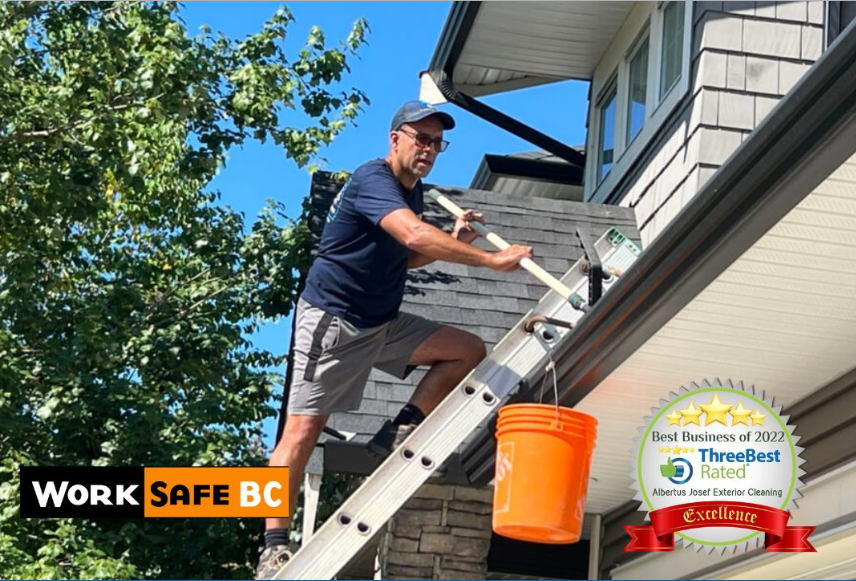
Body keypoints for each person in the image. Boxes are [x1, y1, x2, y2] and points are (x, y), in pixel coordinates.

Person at [255, 101, 533, 579]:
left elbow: (400, 260)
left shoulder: (414, 192)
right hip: (334, 322)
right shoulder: (373, 180)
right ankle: (273, 545)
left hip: (381, 324)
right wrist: (490, 260)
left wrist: (458, 241)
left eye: (436, 142)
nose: (427, 149)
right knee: (301, 431)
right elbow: (412, 234)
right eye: (420, 138)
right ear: (395, 139)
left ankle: (397, 431)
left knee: (466, 350)